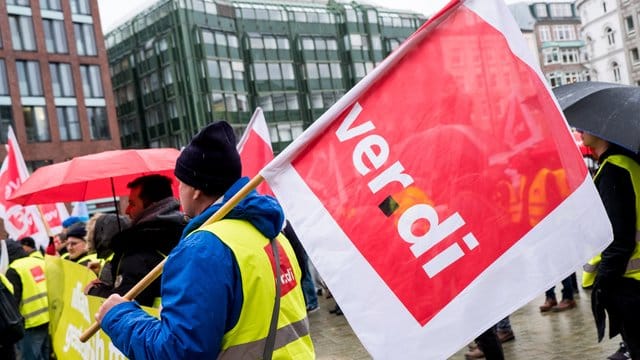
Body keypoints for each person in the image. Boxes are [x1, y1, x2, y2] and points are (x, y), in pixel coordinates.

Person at [96, 121, 314, 358]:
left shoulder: (202, 249)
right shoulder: (273, 234)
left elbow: (179, 351)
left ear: (196, 190)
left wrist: (119, 317)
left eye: (181, 182)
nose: (178, 190)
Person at [582, 131, 640, 359]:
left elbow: (619, 239)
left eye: (586, 126)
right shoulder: (626, 163)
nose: (580, 130)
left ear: (603, 132)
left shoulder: (614, 169)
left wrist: (603, 283)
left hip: (629, 284)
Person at [86, 175, 185, 307]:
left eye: (132, 204)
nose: (127, 211)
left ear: (152, 207)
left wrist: (94, 291)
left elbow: (125, 303)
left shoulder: (141, 248)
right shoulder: (186, 232)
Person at [5, 240, 50, 360]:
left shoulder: (14, 269)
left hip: (30, 322)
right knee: (44, 355)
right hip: (48, 317)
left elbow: (13, 301)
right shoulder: (39, 262)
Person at [84, 213, 131, 286]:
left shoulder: (111, 262)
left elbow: (106, 295)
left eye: (93, 232)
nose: (88, 237)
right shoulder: (126, 253)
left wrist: (92, 290)